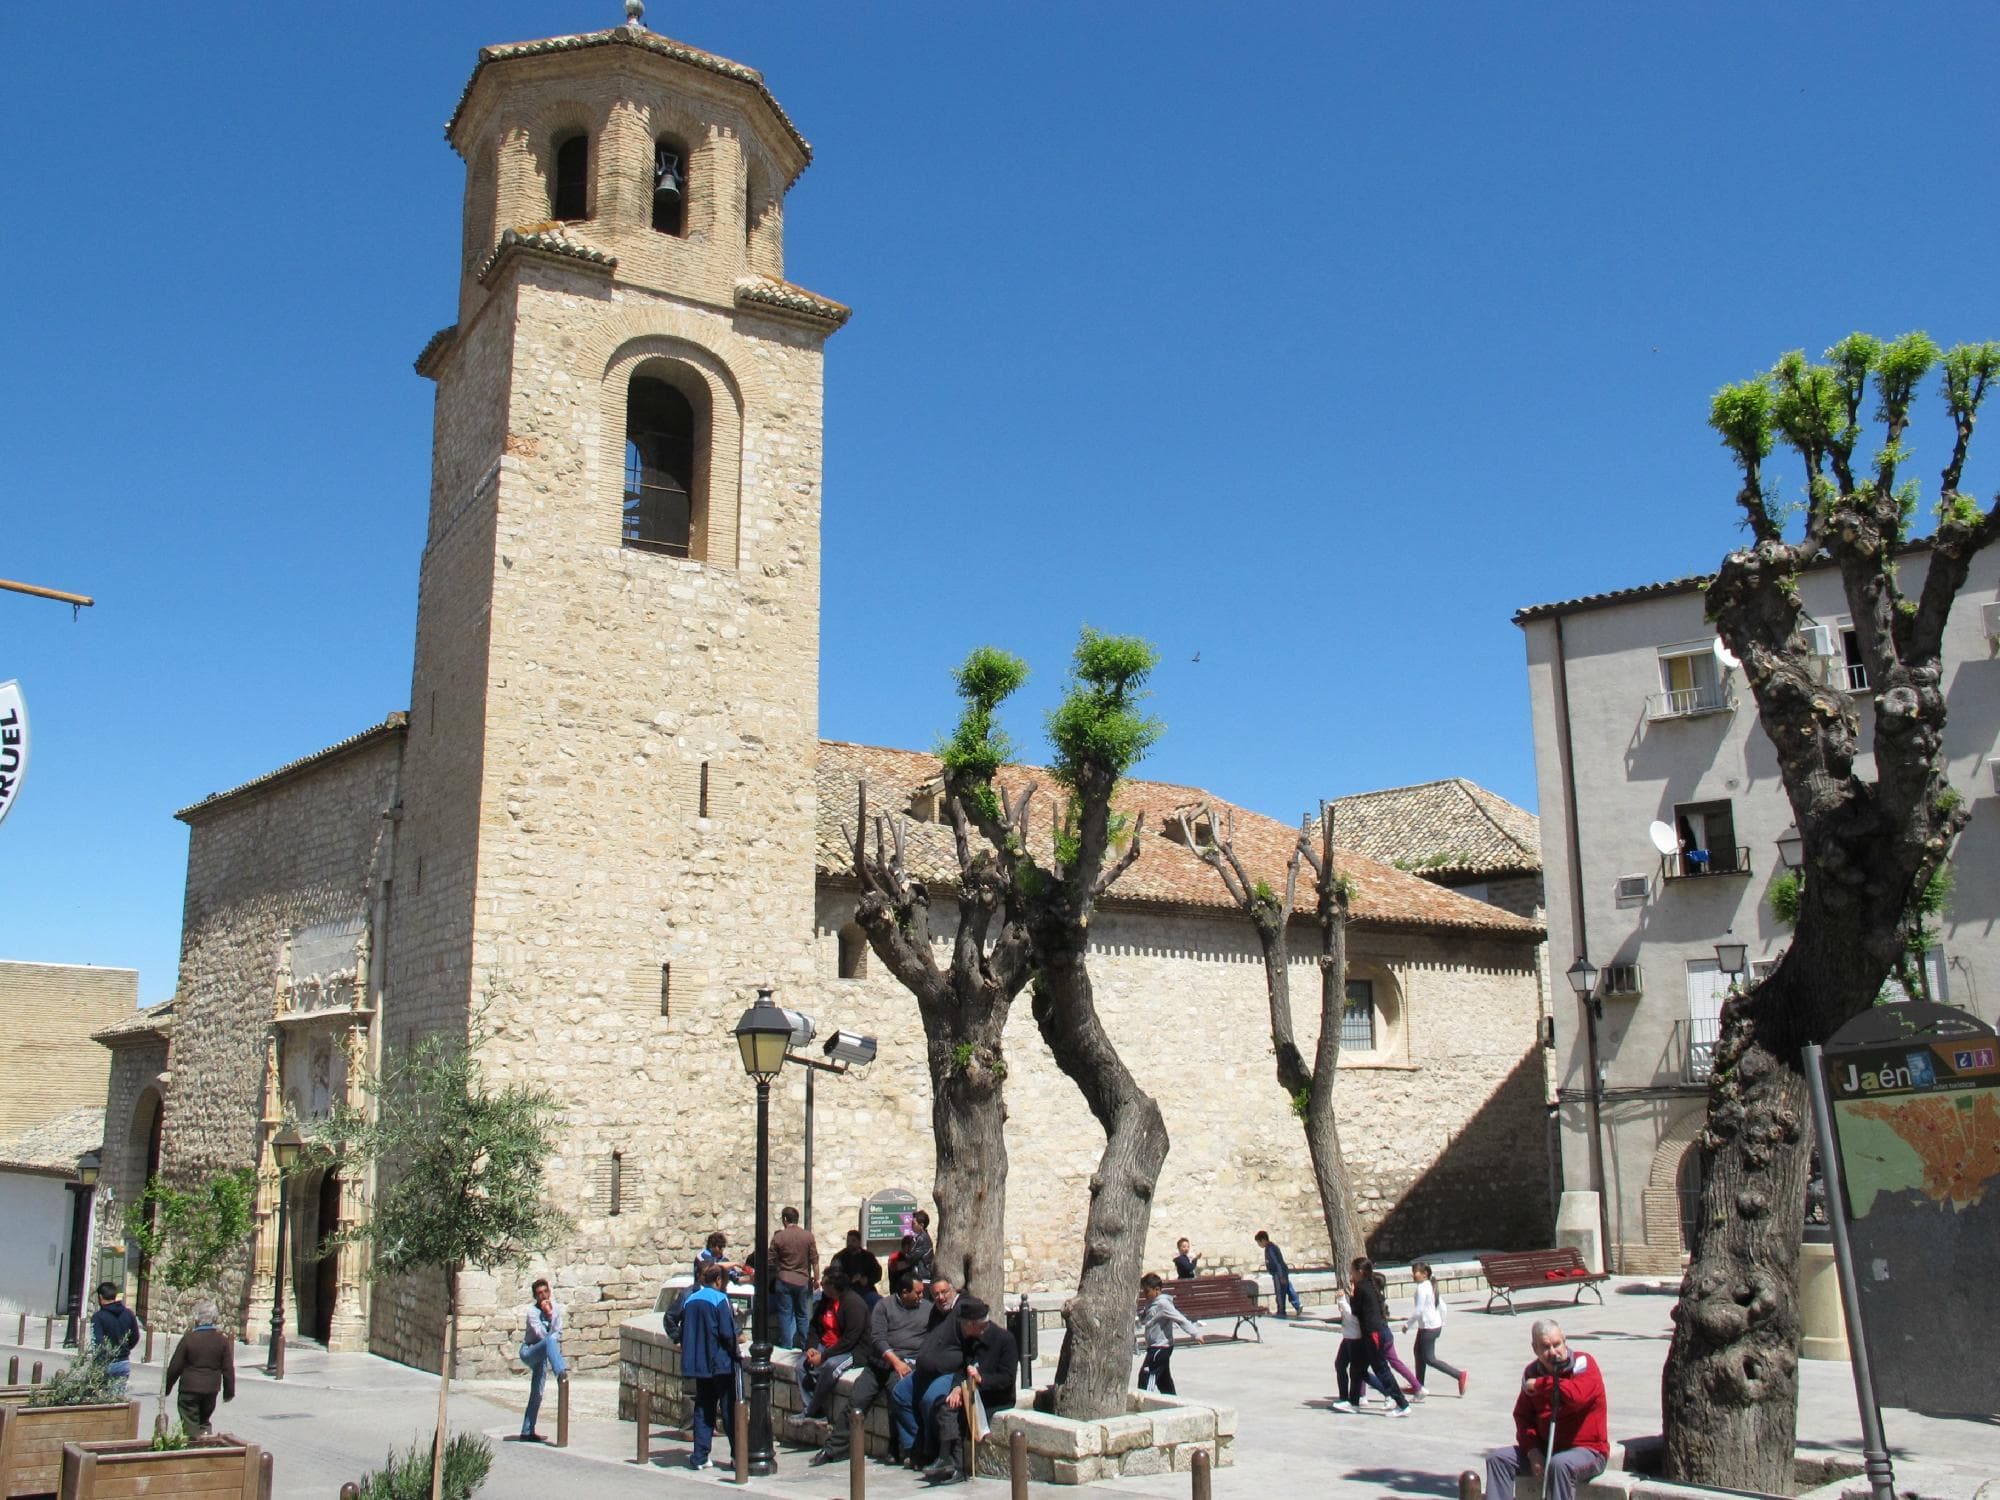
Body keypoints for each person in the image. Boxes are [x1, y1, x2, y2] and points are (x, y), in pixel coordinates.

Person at [814, 1271, 934, 1466]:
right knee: (856, 1402)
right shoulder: (884, 1306)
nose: (922, 1297)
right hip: (880, 1364)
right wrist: (895, 1361)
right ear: (904, 1292)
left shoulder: (928, 1309)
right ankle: (835, 1448)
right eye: (918, 1293)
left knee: (898, 1399)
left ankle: (898, 1449)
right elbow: (878, 1338)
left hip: (907, 1364)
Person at [1482, 1320, 1608, 1500]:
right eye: (1546, 1347)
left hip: (1588, 1450)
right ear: (1535, 1349)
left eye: (1557, 1344)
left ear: (1565, 1341)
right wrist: (1532, 1451)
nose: (1553, 1352)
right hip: (1546, 1448)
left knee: (1560, 1465)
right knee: (1498, 1459)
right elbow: (1523, 1417)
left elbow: (1576, 1397)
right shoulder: (1531, 1372)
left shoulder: (1583, 1363)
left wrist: (1542, 1385)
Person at [922, 1296, 1018, 1485]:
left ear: (975, 1325)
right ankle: (947, 1459)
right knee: (945, 1404)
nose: (962, 1328)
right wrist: (957, 1388)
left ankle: (954, 1464)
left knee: (953, 1412)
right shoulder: (970, 1340)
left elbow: (1006, 1378)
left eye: (965, 1325)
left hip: (994, 1396)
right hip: (970, 1391)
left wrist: (981, 1379)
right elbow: (960, 1369)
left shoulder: (1005, 1340)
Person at [886, 1277, 958, 1463]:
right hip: (926, 1369)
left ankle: (931, 1449)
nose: (941, 1298)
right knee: (900, 1393)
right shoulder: (935, 1312)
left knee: (929, 1400)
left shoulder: (960, 1312)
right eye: (936, 1294)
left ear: (953, 1291)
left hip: (949, 1371)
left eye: (944, 1293)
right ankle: (914, 1446)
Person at [681, 1261, 742, 1471]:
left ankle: (699, 1456)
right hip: (721, 1364)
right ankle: (737, 1456)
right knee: (729, 1410)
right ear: (718, 1281)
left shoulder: (690, 1300)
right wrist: (736, 1352)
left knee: (703, 1409)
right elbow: (727, 1333)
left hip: (700, 1365)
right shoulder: (720, 1300)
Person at [799, 1266, 868, 1417]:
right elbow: (815, 1326)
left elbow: (850, 1340)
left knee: (830, 1367)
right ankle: (814, 1409)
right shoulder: (825, 1301)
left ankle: (810, 1411)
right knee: (801, 1366)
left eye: (825, 1285)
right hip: (826, 1345)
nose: (822, 1288)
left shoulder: (853, 1304)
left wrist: (824, 1357)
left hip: (851, 1351)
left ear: (833, 1287)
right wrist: (811, 1347)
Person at [1345, 1258, 1411, 1416]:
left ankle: (1402, 1404)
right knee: (1358, 1368)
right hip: (1380, 1331)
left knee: (1381, 1369)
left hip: (1374, 1333)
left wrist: (1351, 1295)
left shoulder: (1361, 1288)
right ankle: (1353, 1403)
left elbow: (1355, 1311)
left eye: (1352, 1271)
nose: (1351, 1274)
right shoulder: (1372, 1284)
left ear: (1360, 1272)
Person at [161, 1300, 234, 1435]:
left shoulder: (189, 1339)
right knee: (204, 1420)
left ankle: (193, 1448)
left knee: (190, 1422)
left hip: (190, 1389)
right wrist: (229, 1392)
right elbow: (228, 1368)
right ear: (214, 1318)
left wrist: (166, 1388)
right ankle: (206, 1443)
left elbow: (175, 1367)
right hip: (211, 1389)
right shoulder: (222, 1340)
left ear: (196, 1319)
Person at [1407, 1261, 1469, 1397]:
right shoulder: (1430, 1285)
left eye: (1415, 1272)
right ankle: (1418, 1385)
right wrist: (1442, 1322)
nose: (1413, 1275)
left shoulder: (1422, 1288)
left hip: (1428, 1328)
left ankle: (1459, 1375)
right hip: (1431, 1326)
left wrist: (1407, 1325)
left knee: (1429, 1358)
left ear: (1425, 1274)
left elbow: (1418, 1310)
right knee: (1418, 1352)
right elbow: (1443, 1307)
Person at [518, 1278, 568, 1442]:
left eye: (545, 1292)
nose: (543, 1295)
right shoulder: (532, 1312)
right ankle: (560, 1371)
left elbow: (557, 1332)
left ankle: (527, 1431)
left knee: (537, 1393)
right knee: (548, 1341)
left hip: (544, 1354)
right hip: (530, 1350)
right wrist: (546, 1314)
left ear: (549, 1292)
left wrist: (551, 1314)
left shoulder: (557, 1309)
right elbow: (541, 1335)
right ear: (535, 1296)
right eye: (539, 1293)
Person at [1137, 1273, 1202, 1395]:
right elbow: (1147, 1317)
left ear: (1157, 1290)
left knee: (1147, 1374)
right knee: (1163, 1380)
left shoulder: (1163, 1304)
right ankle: (1172, 1398)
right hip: (1153, 1346)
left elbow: (1180, 1319)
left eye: (1147, 1291)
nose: (1144, 1295)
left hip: (1160, 1347)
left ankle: (1145, 1397)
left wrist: (1195, 1333)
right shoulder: (1150, 1302)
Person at [769, 1206, 819, 1351]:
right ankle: (805, 1345)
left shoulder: (779, 1237)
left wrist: (779, 1268)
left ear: (785, 1219)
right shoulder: (808, 1236)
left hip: (784, 1279)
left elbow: (770, 1260)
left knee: (785, 1314)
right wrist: (816, 1279)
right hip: (802, 1280)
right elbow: (814, 1260)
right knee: (802, 1314)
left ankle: (786, 1345)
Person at [88, 1283, 140, 1392]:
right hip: (123, 1362)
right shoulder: (128, 1314)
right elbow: (135, 1337)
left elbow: (97, 1342)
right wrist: (124, 1348)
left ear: (101, 1297)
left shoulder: (98, 1317)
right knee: (118, 1398)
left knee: (102, 1401)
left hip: (105, 1363)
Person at [1254, 1231, 1304, 1317]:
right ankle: (1297, 1304)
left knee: (1280, 1292)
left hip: (1278, 1273)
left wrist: (1281, 1276)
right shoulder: (1271, 1247)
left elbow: (1277, 1263)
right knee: (1288, 1288)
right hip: (1282, 1272)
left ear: (1263, 1240)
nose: (1259, 1245)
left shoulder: (1270, 1248)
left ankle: (1281, 1311)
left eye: (1259, 1242)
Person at [832, 1229, 883, 1299]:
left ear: (859, 1242)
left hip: (866, 1291)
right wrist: (850, 1280)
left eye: (853, 1241)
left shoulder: (868, 1256)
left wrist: (867, 1279)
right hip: (846, 1292)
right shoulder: (839, 1257)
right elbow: (834, 1276)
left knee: (878, 1301)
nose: (850, 1244)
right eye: (848, 1241)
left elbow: (877, 1273)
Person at [908, 1211, 936, 1285]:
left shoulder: (923, 1238)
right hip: (921, 1277)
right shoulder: (920, 1238)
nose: (911, 1226)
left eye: (914, 1223)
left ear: (921, 1225)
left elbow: (912, 1257)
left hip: (923, 1278)